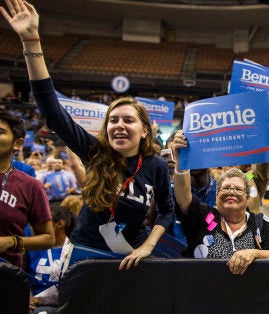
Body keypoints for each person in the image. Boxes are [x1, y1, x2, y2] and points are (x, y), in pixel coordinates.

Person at [2, 0, 175, 269]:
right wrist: (31, 41)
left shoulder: (157, 166)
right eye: (113, 120)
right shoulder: (94, 151)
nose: (119, 125)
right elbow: (52, 110)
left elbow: (167, 210)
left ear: (144, 131)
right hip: (85, 254)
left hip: (132, 257)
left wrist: (148, 246)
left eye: (129, 120)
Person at [171, 131, 269, 275]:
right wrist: (182, 161)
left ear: (248, 197)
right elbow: (184, 197)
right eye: (226, 188)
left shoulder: (260, 223)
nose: (231, 192)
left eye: (238, 189)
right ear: (216, 194)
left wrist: (255, 253)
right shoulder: (204, 216)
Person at [0, 108, 54, 268]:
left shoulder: (31, 186)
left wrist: (12, 241)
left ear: (17, 143)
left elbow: (48, 238)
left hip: (6, 279)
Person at [25, 204, 76, 313]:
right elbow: (23, 278)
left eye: (44, 222)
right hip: (33, 305)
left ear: (59, 224)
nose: (38, 225)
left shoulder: (74, 251)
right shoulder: (33, 248)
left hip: (63, 305)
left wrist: (39, 300)